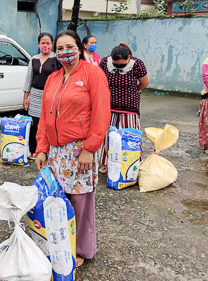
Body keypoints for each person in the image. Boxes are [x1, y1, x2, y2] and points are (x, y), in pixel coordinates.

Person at [35, 29, 111, 268]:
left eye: (69, 47)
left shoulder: (93, 74)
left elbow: (101, 113)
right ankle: (58, 243)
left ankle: (80, 249)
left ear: (79, 48)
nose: (65, 53)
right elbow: (45, 117)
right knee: (57, 199)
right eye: (60, 49)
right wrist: (41, 148)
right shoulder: (53, 78)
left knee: (80, 201)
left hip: (80, 150)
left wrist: (90, 148)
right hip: (56, 151)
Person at [98, 43, 149, 173]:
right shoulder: (104, 62)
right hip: (109, 106)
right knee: (108, 136)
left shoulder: (137, 64)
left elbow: (144, 83)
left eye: (122, 64)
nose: (119, 66)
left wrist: (133, 92)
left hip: (129, 107)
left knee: (130, 136)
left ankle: (132, 164)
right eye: (116, 64)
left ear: (129, 58)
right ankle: (108, 163)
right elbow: (99, 80)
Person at [23, 32, 58, 159]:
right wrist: (26, 97)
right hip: (35, 95)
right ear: (38, 44)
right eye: (42, 43)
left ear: (52, 44)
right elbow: (28, 79)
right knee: (35, 125)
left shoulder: (56, 59)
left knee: (49, 124)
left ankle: (47, 150)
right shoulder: (34, 59)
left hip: (51, 96)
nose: (45, 45)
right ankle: (34, 150)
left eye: (48, 43)